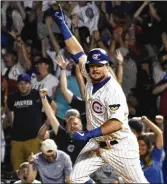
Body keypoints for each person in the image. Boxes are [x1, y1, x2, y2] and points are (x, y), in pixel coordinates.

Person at [50, 5, 147, 183]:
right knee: (74, 178)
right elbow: (76, 50)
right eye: (92, 66)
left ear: (107, 66)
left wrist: (88, 134)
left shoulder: (113, 90)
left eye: (99, 66)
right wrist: (62, 23)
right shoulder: (90, 73)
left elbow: (116, 123)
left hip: (119, 144)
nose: (94, 69)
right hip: (99, 143)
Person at [6, 73, 57, 171]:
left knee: (34, 169)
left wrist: (47, 124)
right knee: (18, 170)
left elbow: (54, 106)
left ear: (30, 84)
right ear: (17, 85)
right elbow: (8, 109)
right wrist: (10, 121)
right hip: (16, 139)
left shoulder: (38, 94)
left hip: (34, 138)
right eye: (20, 83)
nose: (23, 85)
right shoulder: (13, 97)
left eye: (26, 83)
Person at [37, 88, 86, 164]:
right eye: (69, 124)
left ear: (81, 126)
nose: (72, 126)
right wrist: (43, 98)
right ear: (66, 128)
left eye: (75, 124)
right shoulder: (62, 135)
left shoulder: (88, 137)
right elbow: (51, 116)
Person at [138, 116, 164, 184]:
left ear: (148, 147)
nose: (140, 147)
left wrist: (146, 121)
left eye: (143, 145)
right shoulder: (133, 161)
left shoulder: (155, 156)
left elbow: (159, 134)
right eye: (138, 145)